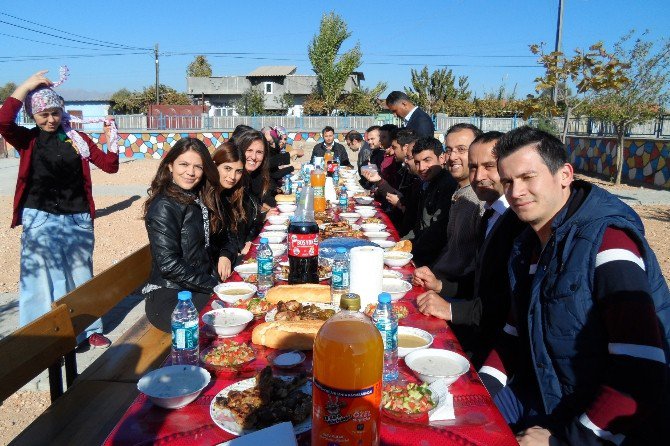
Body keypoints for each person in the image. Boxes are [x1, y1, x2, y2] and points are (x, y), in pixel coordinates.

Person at [481, 126, 670, 445]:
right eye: (508, 182)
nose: (516, 192)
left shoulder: (610, 245)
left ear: (565, 174)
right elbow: (512, 337)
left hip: (604, 426)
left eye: (528, 177)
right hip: (542, 395)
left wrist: (564, 440)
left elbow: (640, 369)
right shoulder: (527, 245)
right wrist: (477, 390)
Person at [0, 70, 119, 348]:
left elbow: (110, 166)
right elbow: (3, 120)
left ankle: (89, 330)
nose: (51, 119)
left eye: (55, 113)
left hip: (76, 218)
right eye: (44, 114)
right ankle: (38, 335)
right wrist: (27, 85)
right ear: (33, 116)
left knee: (80, 274)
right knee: (37, 277)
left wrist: (110, 136)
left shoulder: (78, 140)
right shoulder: (27, 140)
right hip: (39, 216)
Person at [416, 131, 526, 368]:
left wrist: (452, 309)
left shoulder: (519, 220)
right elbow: (480, 280)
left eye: (489, 166)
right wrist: (440, 285)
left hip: (496, 350)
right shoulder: (491, 213)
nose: (479, 176)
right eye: (474, 167)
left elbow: (505, 303)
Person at [143, 137, 225, 333]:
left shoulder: (197, 197)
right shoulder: (164, 205)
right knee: (226, 316)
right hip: (170, 297)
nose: (191, 172)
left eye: (198, 166)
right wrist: (215, 285)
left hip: (194, 287)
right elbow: (169, 265)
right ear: (170, 165)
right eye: (184, 164)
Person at [413, 124, 483, 299]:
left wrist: (442, 289)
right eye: (449, 150)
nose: (453, 157)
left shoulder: (481, 200)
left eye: (461, 150)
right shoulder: (459, 192)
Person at [406, 137, 457, 267]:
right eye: (417, 162)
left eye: (427, 160)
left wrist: (411, 252)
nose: (421, 167)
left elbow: (437, 231)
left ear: (441, 158)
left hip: (433, 261)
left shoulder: (447, 185)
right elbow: (419, 227)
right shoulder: (428, 183)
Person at [212, 141, 262, 267]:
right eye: (227, 168)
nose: (232, 176)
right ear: (214, 166)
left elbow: (229, 235)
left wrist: (227, 253)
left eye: (238, 171)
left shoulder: (228, 194)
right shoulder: (206, 196)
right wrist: (227, 254)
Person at [232, 128, 276, 210]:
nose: (254, 157)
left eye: (259, 152)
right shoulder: (232, 180)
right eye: (249, 150)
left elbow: (253, 204)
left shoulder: (252, 177)